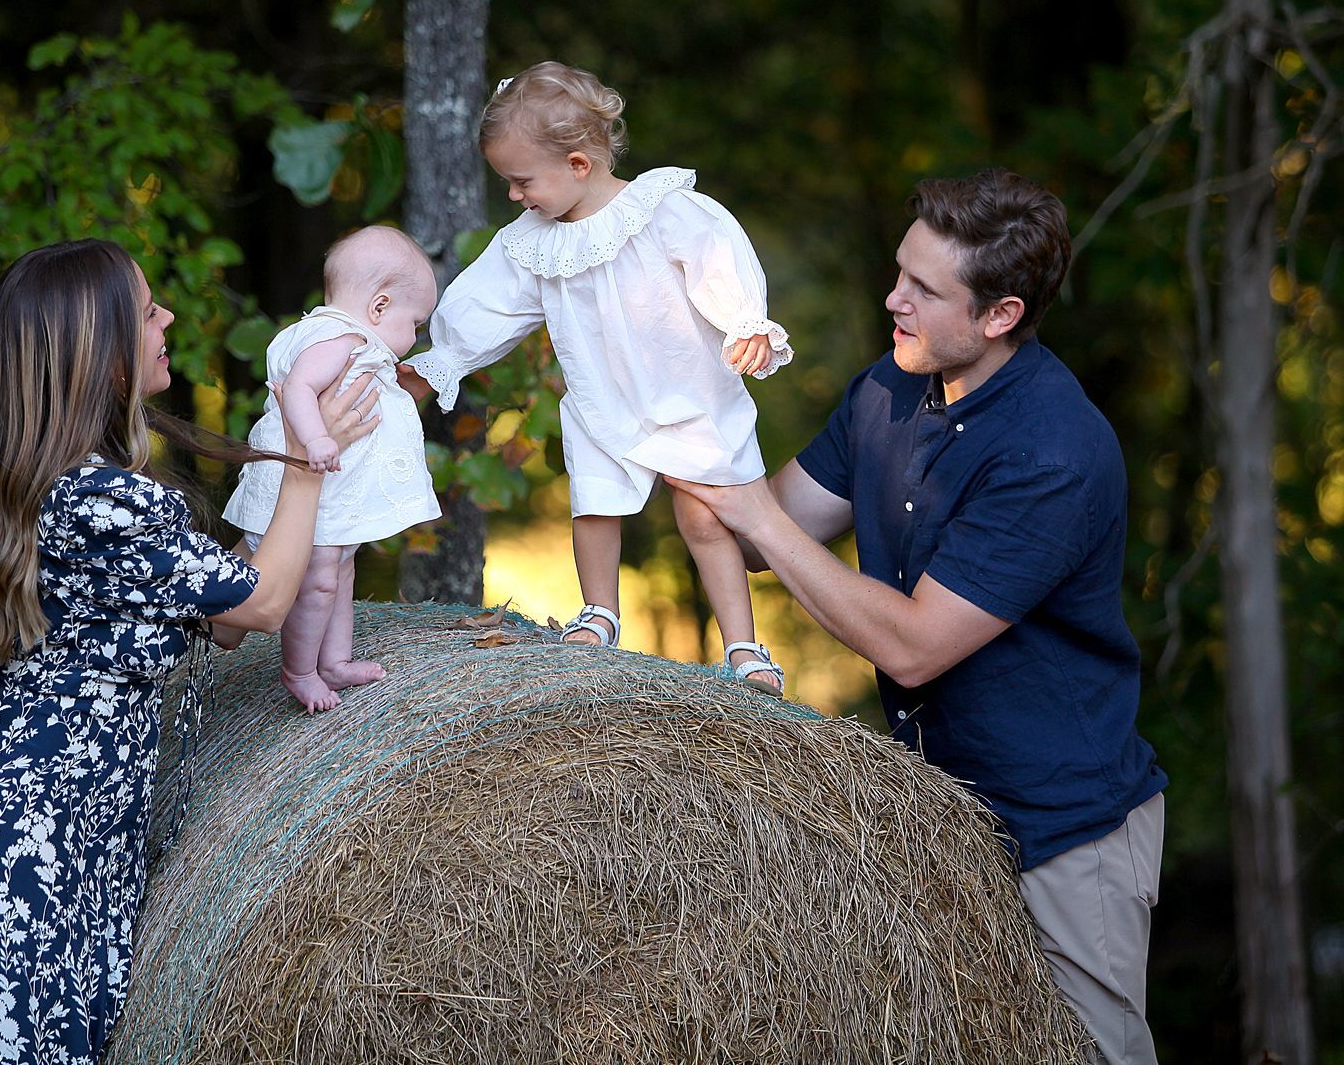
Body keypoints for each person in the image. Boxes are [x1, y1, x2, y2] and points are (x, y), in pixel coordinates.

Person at [668, 169, 1167, 1065]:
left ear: (1000, 315)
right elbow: (763, 529)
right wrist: (672, 413)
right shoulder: (886, 391)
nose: (891, 296)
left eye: (924, 290)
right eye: (901, 270)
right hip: (936, 810)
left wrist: (758, 518)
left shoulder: (1052, 453)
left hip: (1066, 830)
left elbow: (914, 648)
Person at [0, 238, 380, 1064]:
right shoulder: (101, 498)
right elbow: (264, 600)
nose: (167, 318)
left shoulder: (78, 482)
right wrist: (309, 463)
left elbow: (220, 617)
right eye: (148, 311)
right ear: (101, 356)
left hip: (41, 810)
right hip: (28, 827)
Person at [401, 60, 793, 694]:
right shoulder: (532, 241)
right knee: (595, 503)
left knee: (705, 518)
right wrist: (437, 364)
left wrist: (745, 320)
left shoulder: (664, 210)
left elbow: (715, 256)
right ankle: (600, 613)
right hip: (600, 396)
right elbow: (488, 303)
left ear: (579, 164)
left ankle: (744, 647)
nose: (514, 195)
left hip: (685, 391)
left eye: (522, 180)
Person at [223, 225, 441, 713]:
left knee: (340, 570)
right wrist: (317, 438)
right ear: (379, 307)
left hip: (332, 488)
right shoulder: (338, 337)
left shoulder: (350, 339)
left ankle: (335, 661)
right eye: (416, 323)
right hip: (310, 479)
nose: (413, 337)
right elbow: (299, 387)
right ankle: (299, 669)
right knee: (321, 578)